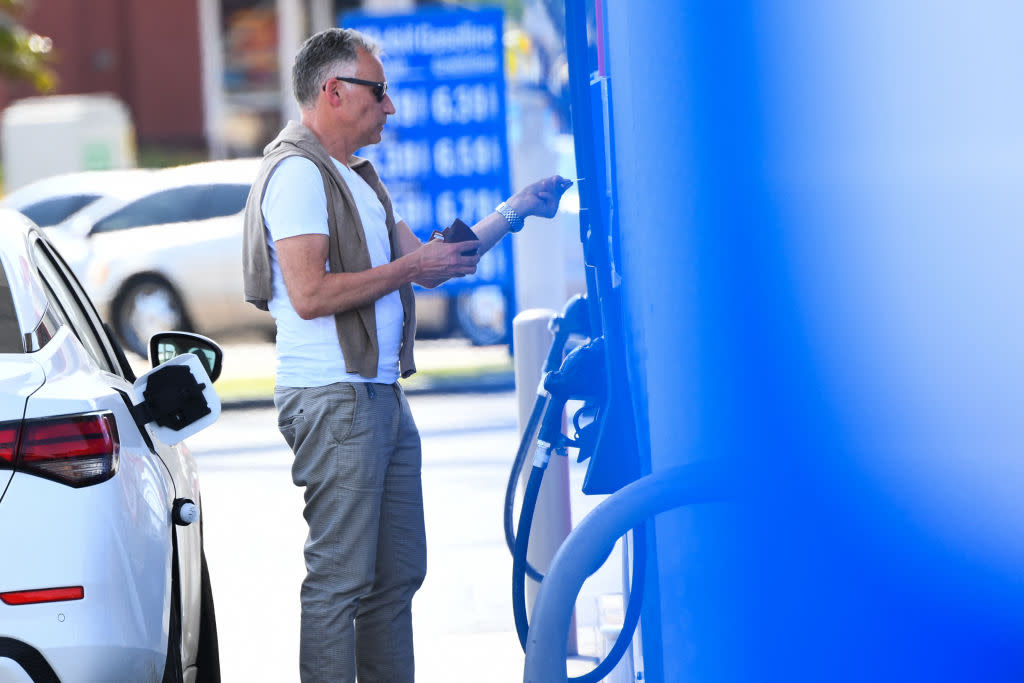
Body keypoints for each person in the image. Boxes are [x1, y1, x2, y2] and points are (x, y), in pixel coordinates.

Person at [241, 27, 572, 683]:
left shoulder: (358, 178)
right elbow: (308, 295)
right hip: (334, 398)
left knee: (397, 576)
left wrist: (515, 210)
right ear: (333, 91)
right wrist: (414, 262)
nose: (388, 108)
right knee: (339, 582)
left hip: (379, 393)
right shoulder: (298, 175)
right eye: (378, 92)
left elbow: (430, 268)